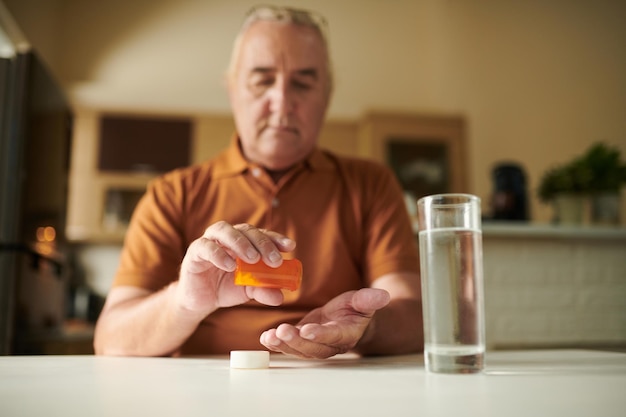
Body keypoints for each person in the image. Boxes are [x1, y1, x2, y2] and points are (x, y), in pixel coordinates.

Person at [94, 4, 423, 359]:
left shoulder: (371, 184)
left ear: (326, 96)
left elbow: (415, 318)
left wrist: (366, 327)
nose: (281, 103)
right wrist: (185, 302)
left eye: (303, 83)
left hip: (332, 386)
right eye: (262, 80)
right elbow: (112, 339)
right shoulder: (171, 195)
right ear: (233, 89)